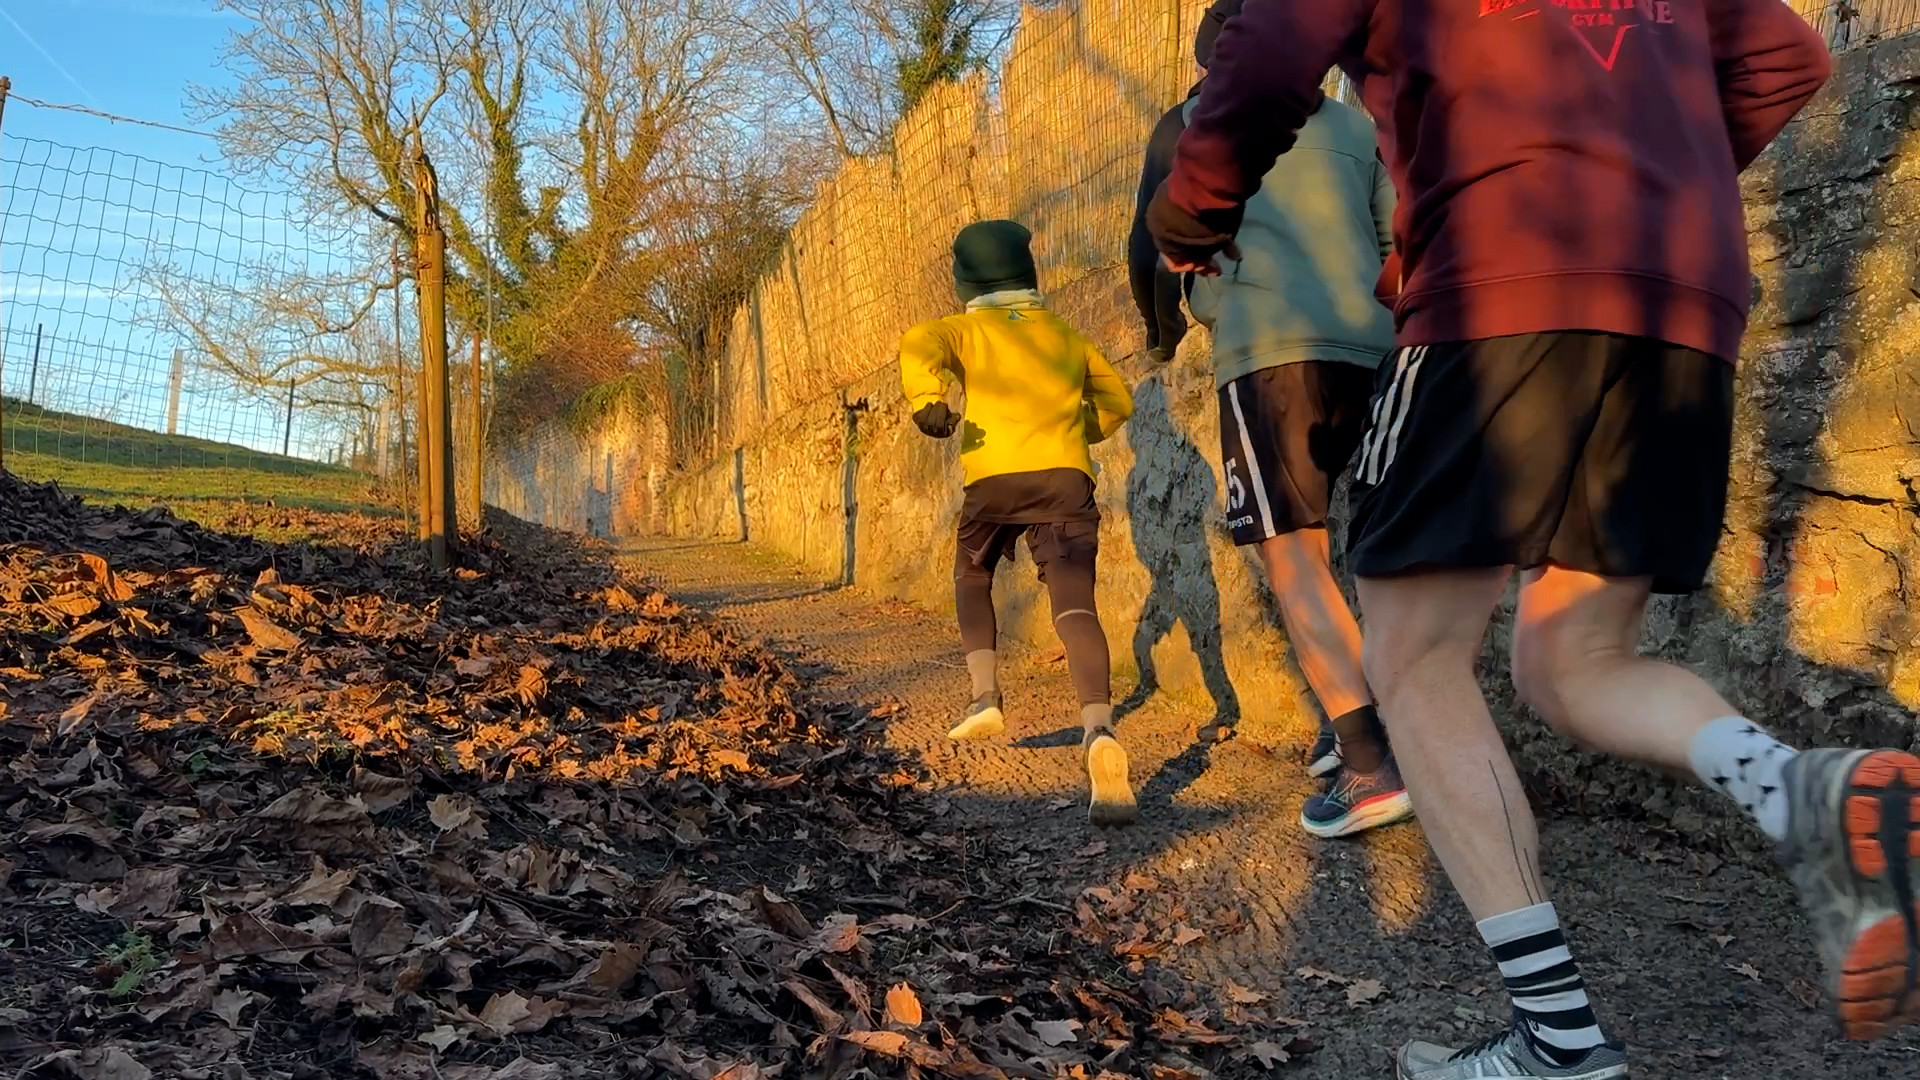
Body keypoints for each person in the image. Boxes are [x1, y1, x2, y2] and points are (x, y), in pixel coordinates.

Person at [1148, 2, 1918, 1076]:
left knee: (1412, 658)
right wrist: (1647, 175)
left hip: (1499, 281)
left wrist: (1189, 215)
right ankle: (1805, 791)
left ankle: (1557, 1038)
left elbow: (1269, 43)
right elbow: (1789, 57)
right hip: (1682, 300)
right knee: (1575, 660)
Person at [1127, 0, 1410, 839]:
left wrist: (1165, 329)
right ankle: (1366, 719)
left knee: (1295, 555)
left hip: (1267, 349)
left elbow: (1150, 245)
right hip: (1374, 348)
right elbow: (1398, 234)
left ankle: (1369, 766)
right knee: (1376, 547)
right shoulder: (1358, 127)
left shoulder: (1187, 125)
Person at [900, 219, 1139, 826]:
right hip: (1065, 478)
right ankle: (1099, 730)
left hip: (995, 481)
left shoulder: (965, 328)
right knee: (1074, 603)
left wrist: (928, 400)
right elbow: (1119, 401)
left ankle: (985, 695)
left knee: (972, 571)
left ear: (966, 281)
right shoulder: (1065, 334)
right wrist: (1075, 436)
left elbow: (919, 342)